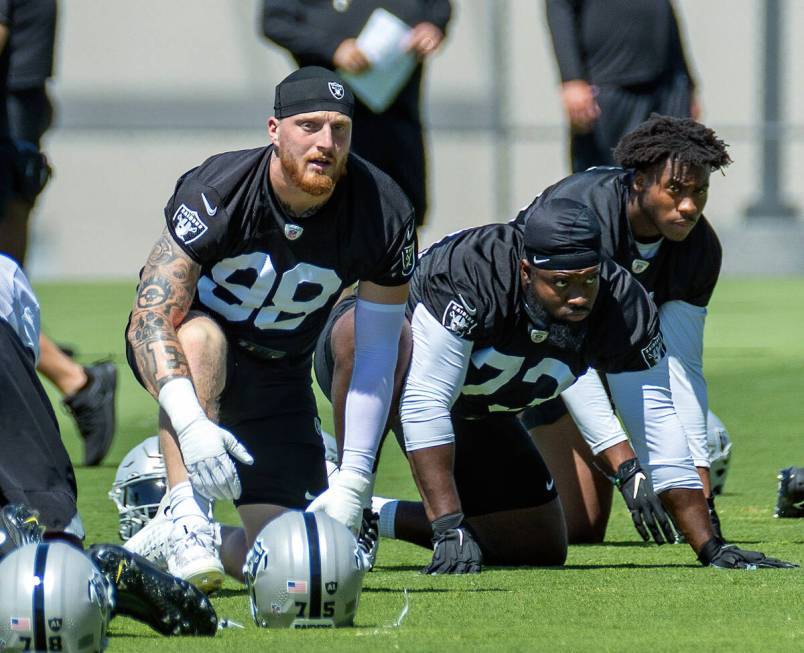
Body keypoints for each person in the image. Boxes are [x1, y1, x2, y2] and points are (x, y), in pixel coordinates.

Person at [315, 198, 797, 572]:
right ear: (526, 271)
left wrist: (710, 546)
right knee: (370, 336)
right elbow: (424, 399)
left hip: (479, 403)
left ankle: (377, 514)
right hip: (392, 375)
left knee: (537, 542)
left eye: (588, 280)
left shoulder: (621, 304)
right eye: (562, 283)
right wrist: (447, 528)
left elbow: (655, 420)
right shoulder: (473, 274)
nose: (578, 296)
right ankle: (345, 487)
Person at [123, 67, 415, 592]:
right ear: (274, 129)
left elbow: (376, 351)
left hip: (280, 378)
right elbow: (149, 318)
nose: (326, 143)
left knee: (296, 568)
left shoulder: (383, 209)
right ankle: (186, 513)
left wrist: (355, 474)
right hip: (198, 363)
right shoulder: (219, 190)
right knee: (200, 334)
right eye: (309, 126)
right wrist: (191, 424)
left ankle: (171, 540)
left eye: (339, 129)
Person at [523, 115, 731, 544]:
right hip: (525, 361)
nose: (689, 206)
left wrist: (700, 496)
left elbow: (681, 367)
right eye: (675, 189)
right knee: (563, 527)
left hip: (598, 362)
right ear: (638, 182)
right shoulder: (583, 219)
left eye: (699, 192)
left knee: (580, 529)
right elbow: (562, 350)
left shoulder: (700, 248)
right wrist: (627, 468)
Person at [1, 0, 116, 467]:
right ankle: (77, 382)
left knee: (5, 291)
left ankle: (76, 381)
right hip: (16, 121)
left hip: (7, 127)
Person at [261, 0, 451, 227]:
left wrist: (432, 26)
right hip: (329, 118)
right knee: (330, 213)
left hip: (395, 119)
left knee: (398, 215)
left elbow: (439, 7)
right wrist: (333, 48)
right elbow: (275, 21)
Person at [546, 0, 699, 173]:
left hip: (667, 83)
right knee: (608, 181)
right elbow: (559, 6)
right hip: (610, 84)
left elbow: (665, 10)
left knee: (676, 176)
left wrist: (687, 81)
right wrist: (571, 78)